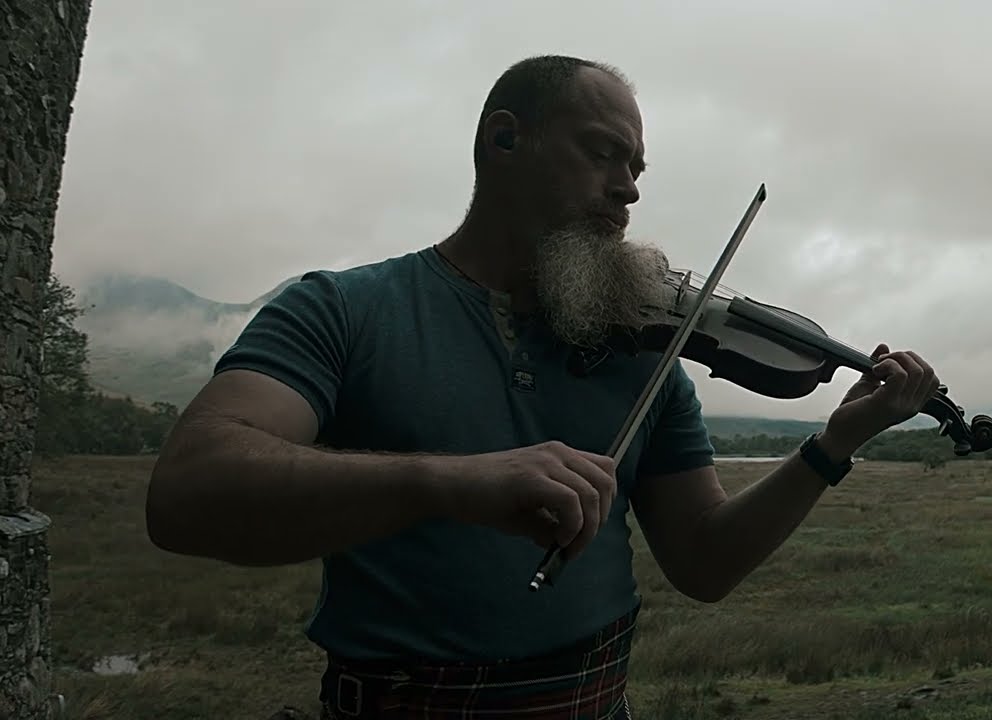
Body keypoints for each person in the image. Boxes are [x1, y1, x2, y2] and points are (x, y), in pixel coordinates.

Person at [145, 54, 940, 719]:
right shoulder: (345, 310)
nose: (629, 188)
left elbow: (704, 563)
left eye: (637, 168)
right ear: (504, 139)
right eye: (603, 153)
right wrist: (442, 481)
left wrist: (835, 445)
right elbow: (189, 491)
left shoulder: (637, 350)